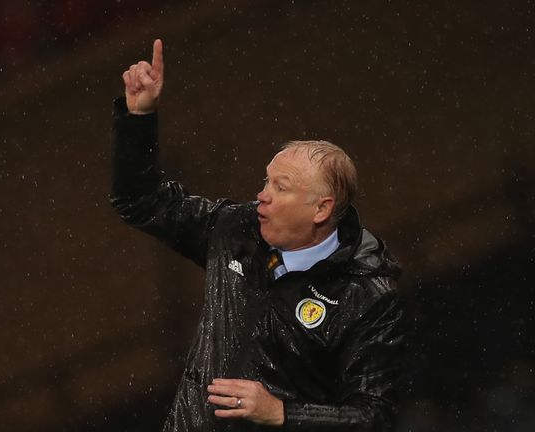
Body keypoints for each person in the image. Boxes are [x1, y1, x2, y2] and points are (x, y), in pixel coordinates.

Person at [111, 39, 404, 431]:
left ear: (322, 209)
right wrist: (139, 115)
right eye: (266, 181)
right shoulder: (236, 231)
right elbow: (141, 202)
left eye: (281, 187)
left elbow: (374, 417)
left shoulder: (366, 297)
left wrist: (282, 413)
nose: (262, 195)